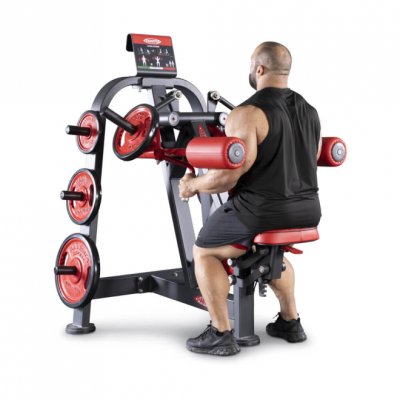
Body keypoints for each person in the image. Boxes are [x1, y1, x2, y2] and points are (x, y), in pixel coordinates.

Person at [179, 41, 322, 356]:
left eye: (250, 65)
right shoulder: (310, 111)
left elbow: (228, 176)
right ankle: (290, 322)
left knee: (204, 251)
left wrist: (192, 185)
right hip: (309, 210)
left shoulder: (247, 113)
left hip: (262, 211)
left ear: (259, 68)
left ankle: (220, 333)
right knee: (271, 252)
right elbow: (309, 161)